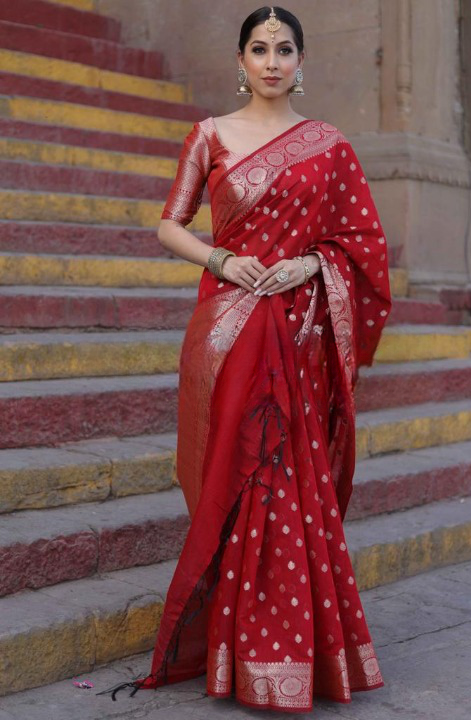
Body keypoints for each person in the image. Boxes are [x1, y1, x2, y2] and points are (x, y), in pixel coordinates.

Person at [97, 5, 392, 713]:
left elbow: (365, 249)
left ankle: (287, 656)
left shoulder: (329, 146)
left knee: (288, 485)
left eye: (283, 49)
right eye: (258, 48)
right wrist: (225, 261)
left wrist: (310, 266)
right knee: (236, 474)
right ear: (238, 61)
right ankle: (233, 653)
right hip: (227, 332)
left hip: (299, 335)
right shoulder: (209, 136)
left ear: (301, 61)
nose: (270, 61)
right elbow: (170, 223)